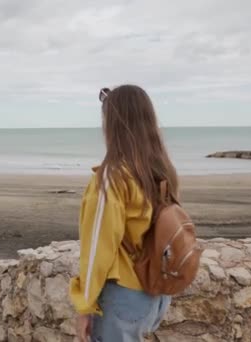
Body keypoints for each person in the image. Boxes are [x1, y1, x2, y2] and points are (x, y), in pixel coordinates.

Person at [69, 85, 177, 342]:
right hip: (155, 294)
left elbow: (98, 251)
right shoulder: (159, 172)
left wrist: (84, 305)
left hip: (124, 296)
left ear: (112, 125)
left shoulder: (112, 178)